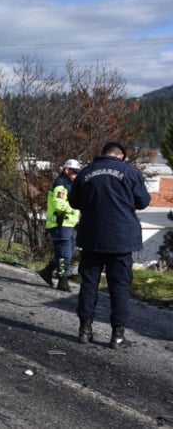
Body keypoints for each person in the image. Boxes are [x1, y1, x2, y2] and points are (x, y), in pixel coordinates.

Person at [69, 142, 150, 349]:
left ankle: (85, 330)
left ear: (103, 154)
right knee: (119, 288)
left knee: (89, 284)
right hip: (121, 239)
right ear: (121, 156)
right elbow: (142, 201)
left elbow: (74, 202)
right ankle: (118, 335)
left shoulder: (86, 173)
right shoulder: (130, 172)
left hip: (91, 237)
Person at [37, 159, 82, 292]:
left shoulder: (69, 184)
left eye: (77, 172)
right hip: (60, 223)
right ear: (66, 170)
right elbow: (58, 204)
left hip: (68, 224)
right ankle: (63, 280)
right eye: (74, 172)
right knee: (65, 255)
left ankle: (47, 271)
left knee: (68, 252)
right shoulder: (61, 184)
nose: (76, 175)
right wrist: (74, 209)